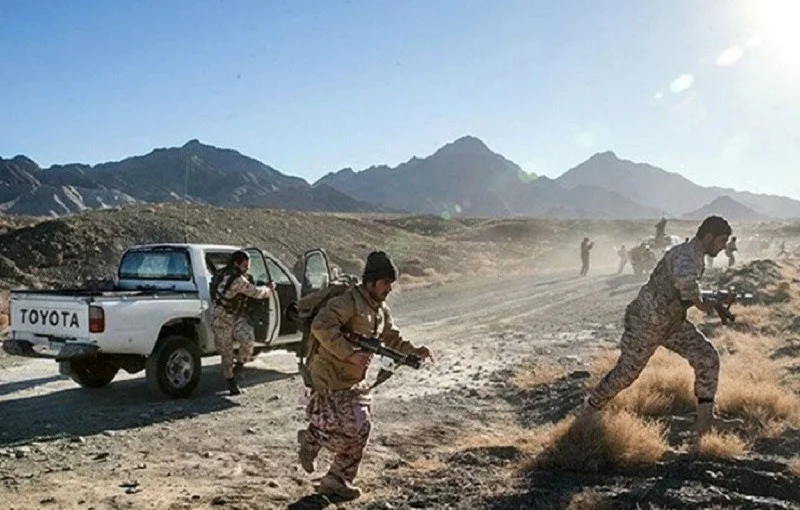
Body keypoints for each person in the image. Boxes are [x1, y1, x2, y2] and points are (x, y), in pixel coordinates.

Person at [583, 216, 736, 445]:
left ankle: (705, 423)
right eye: (721, 241)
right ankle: (588, 411)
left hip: (671, 323)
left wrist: (714, 299)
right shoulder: (686, 255)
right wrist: (709, 303)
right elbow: (688, 289)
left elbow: (687, 289)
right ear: (708, 237)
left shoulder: (694, 255)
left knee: (707, 358)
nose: (724, 246)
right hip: (646, 322)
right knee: (626, 374)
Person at [297, 251, 433, 499]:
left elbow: (392, 338)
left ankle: (329, 466)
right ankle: (319, 451)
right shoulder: (347, 302)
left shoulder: (380, 310)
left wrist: (414, 351)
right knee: (356, 426)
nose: (389, 288)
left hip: (352, 380)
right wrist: (349, 353)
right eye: (385, 283)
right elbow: (321, 325)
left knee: (360, 428)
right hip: (329, 377)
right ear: (370, 282)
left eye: (391, 283)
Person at [211, 250, 274, 395]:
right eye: (245, 266)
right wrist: (269, 289)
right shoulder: (236, 279)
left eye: (248, 266)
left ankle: (239, 365)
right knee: (226, 353)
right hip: (222, 319)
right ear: (236, 264)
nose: (247, 269)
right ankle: (231, 381)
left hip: (235, 317)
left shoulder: (224, 274)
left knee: (248, 339)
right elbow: (256, 293)